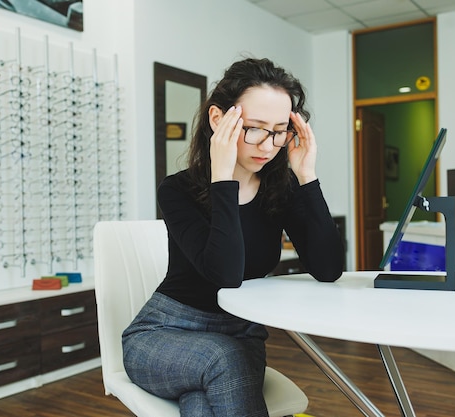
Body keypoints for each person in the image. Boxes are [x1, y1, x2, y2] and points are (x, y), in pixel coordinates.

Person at [122, 57, 344, 417]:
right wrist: (223, 177)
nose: (269, 145)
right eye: (254, 128)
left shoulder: (280, 188)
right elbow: (226, 274)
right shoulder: (177, 189)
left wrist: (307, 176)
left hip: (241, 337)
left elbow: (329, 268)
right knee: (223, 359)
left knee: (201, 406)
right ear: (217, 120)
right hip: (163, 334)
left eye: (278, 131)